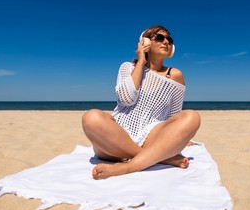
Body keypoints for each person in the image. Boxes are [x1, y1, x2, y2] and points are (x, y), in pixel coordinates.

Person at [82, 25, 201, 179]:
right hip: (116, 137)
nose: (166, 42)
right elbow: (126, 99)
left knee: (192, 116)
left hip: (151, 136)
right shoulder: (127, 67)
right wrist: (140, 62)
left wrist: (180, 137)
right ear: (145, 42)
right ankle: (162, 158)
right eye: (159, 38)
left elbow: (173, 115)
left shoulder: (175, 75)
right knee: (91, 117)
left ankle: (128, 167)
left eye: (169, 39)